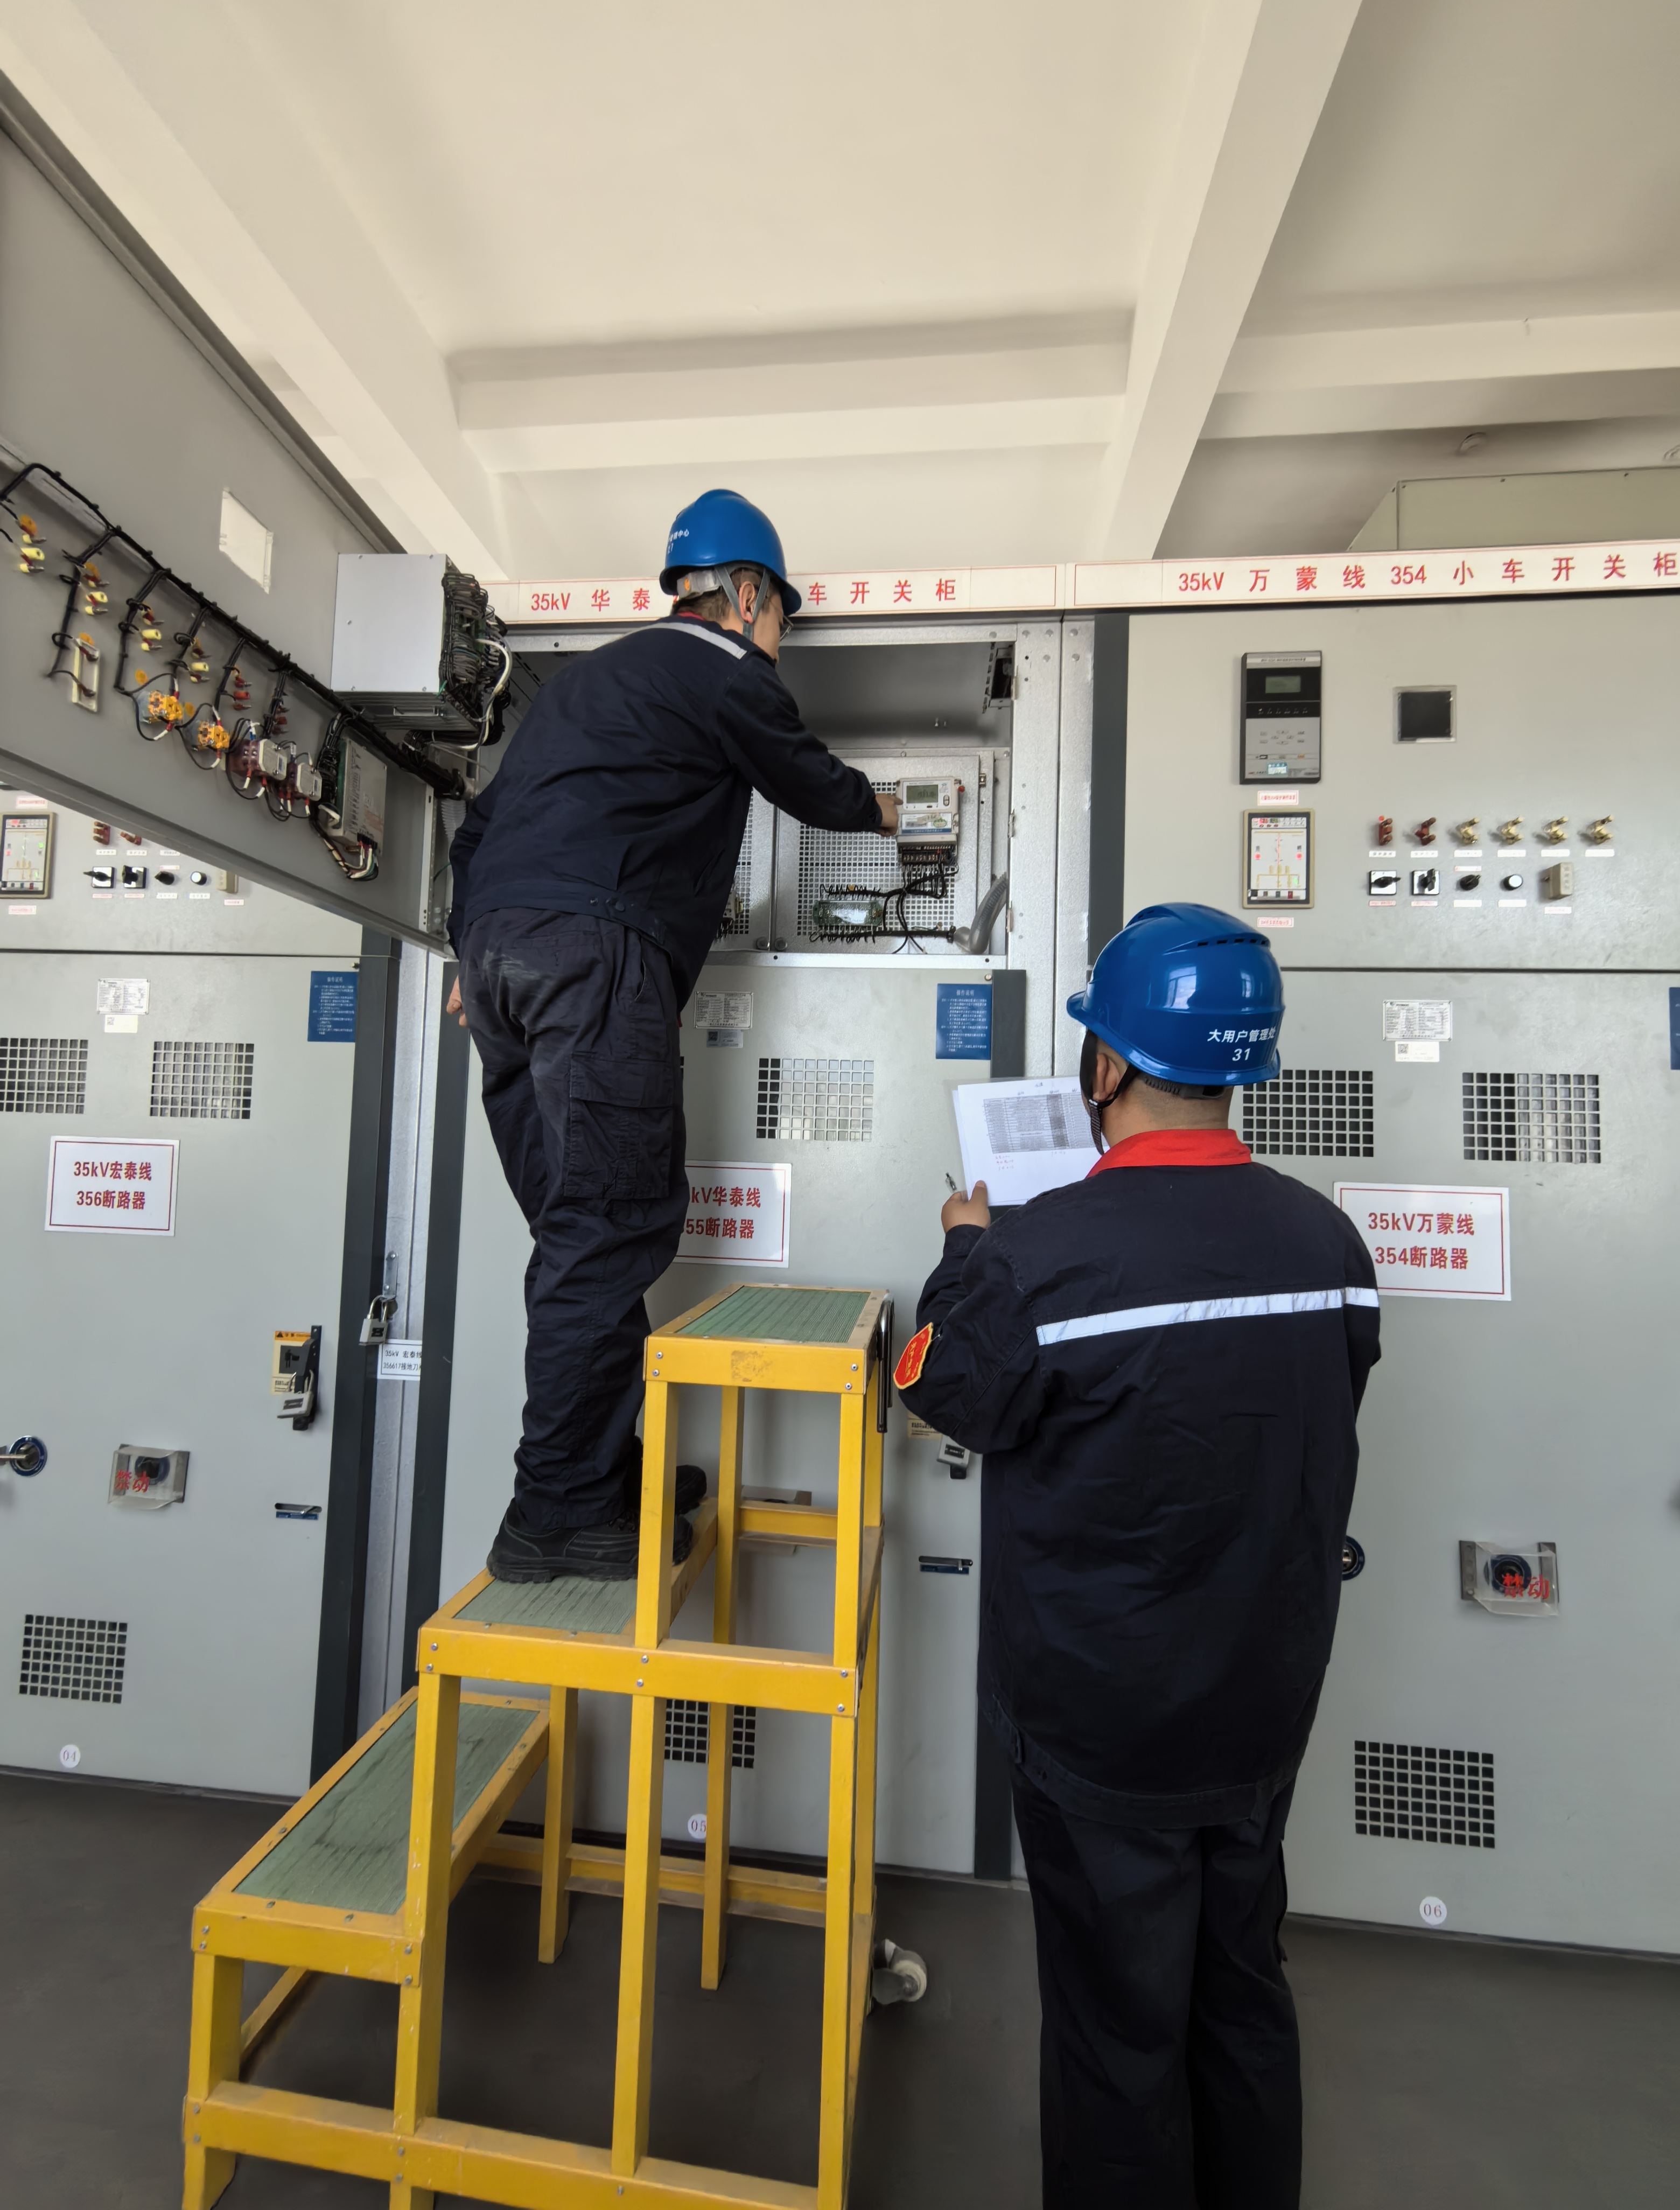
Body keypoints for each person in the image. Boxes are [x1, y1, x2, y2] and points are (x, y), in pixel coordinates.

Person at [895, 901, 1381, 2209]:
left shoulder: (1039, 1255)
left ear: (1105, 1063)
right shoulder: (1330, 1246)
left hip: (1103, 1722)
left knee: (1119, 2031)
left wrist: (964, 1247)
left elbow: (941, 1388)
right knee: (1242, 1989)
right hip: (1262, 1701)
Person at [446, 489, 897, 1583]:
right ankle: (552, 1515)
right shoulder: (725, 668)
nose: (777, 639)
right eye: (780, 616)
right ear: (744, 593)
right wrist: (887, 811)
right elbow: (806, 778)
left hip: (501, 961)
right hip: (594, 960)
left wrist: (471, 951)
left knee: (578, 1234)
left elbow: (477, 827)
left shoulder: (583, 683)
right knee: (605, 1232)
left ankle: (599, 1481)